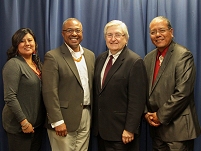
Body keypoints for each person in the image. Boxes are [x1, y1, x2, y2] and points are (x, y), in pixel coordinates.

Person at [144, 16, 201, 151]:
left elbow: (183, 92)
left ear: (171, 31)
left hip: (178, 131)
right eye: (153, 32)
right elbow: (142, 90)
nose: (157, 35)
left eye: (162, 30)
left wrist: (160, 116)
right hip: (156, 131)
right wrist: (146, 113)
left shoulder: (183, 55)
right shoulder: (148, 58)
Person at [92, 20, 147, 151]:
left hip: (122, 133)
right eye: (109, 35)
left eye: (118, 35)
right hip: (101, 131)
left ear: (126, 38)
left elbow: (137, 100)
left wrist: (130, 129)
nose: (113, 39)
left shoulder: (134, 61)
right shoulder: (100, 59)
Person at [42, 18, 95, 151]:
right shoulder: (53, 56)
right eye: (69, 30)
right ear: (62, 33)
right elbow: (49, 92)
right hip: (63, 119)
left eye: (77, 30)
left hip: (86, 115)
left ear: (82, 33)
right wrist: (57, 121)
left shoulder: (90, 55)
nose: (74, 34)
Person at [2, 28, 45, 151]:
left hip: (36, 126)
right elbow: (10, 97)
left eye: (30, 40)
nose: (27, 43)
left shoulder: (38, 65)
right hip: (19, 127)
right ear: (16, 45)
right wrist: (24, 122)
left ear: (35, 44)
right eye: (22, 41)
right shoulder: (13, 64)